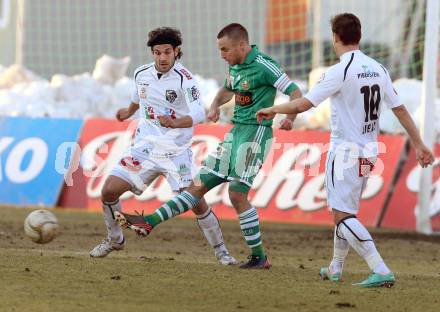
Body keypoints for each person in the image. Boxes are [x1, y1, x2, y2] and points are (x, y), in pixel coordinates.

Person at [256, 13, 435, 286]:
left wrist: (274, 109)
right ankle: (335, 267)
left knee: (342, 216)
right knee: (346, 212)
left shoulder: (339, 71)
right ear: (359, 36)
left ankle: (381, 269)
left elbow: (305, 104)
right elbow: (399, 109)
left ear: (335, 38)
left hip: (345, 152)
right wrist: (420, 144)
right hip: (370, 152)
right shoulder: (378, 68)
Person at [115, 23, 302, 269]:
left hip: (255, 134)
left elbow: (296, 92)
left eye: (225, 50)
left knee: (236, 193)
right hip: (235, 133)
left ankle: (259, 256)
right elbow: (228, 89)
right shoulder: (235, 64)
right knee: (196, 188)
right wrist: (215, 105)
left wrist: (289, 118)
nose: (222, 55)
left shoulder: (265, 65)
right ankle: (149, 221)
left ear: (242, 45)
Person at [90, 27, 237, 266]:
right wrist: (128, 112)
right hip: (144, 149)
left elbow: (199, 112)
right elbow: (139, 98)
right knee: (108, 191)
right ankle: (115, 239)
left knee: (196, 202)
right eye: (157, 52)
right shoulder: (141, 74)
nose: (162, 58)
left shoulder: (185, 79)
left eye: (167, 52)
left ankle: (222, 251)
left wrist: (176, 122)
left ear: (176, 51)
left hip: (176, 153)